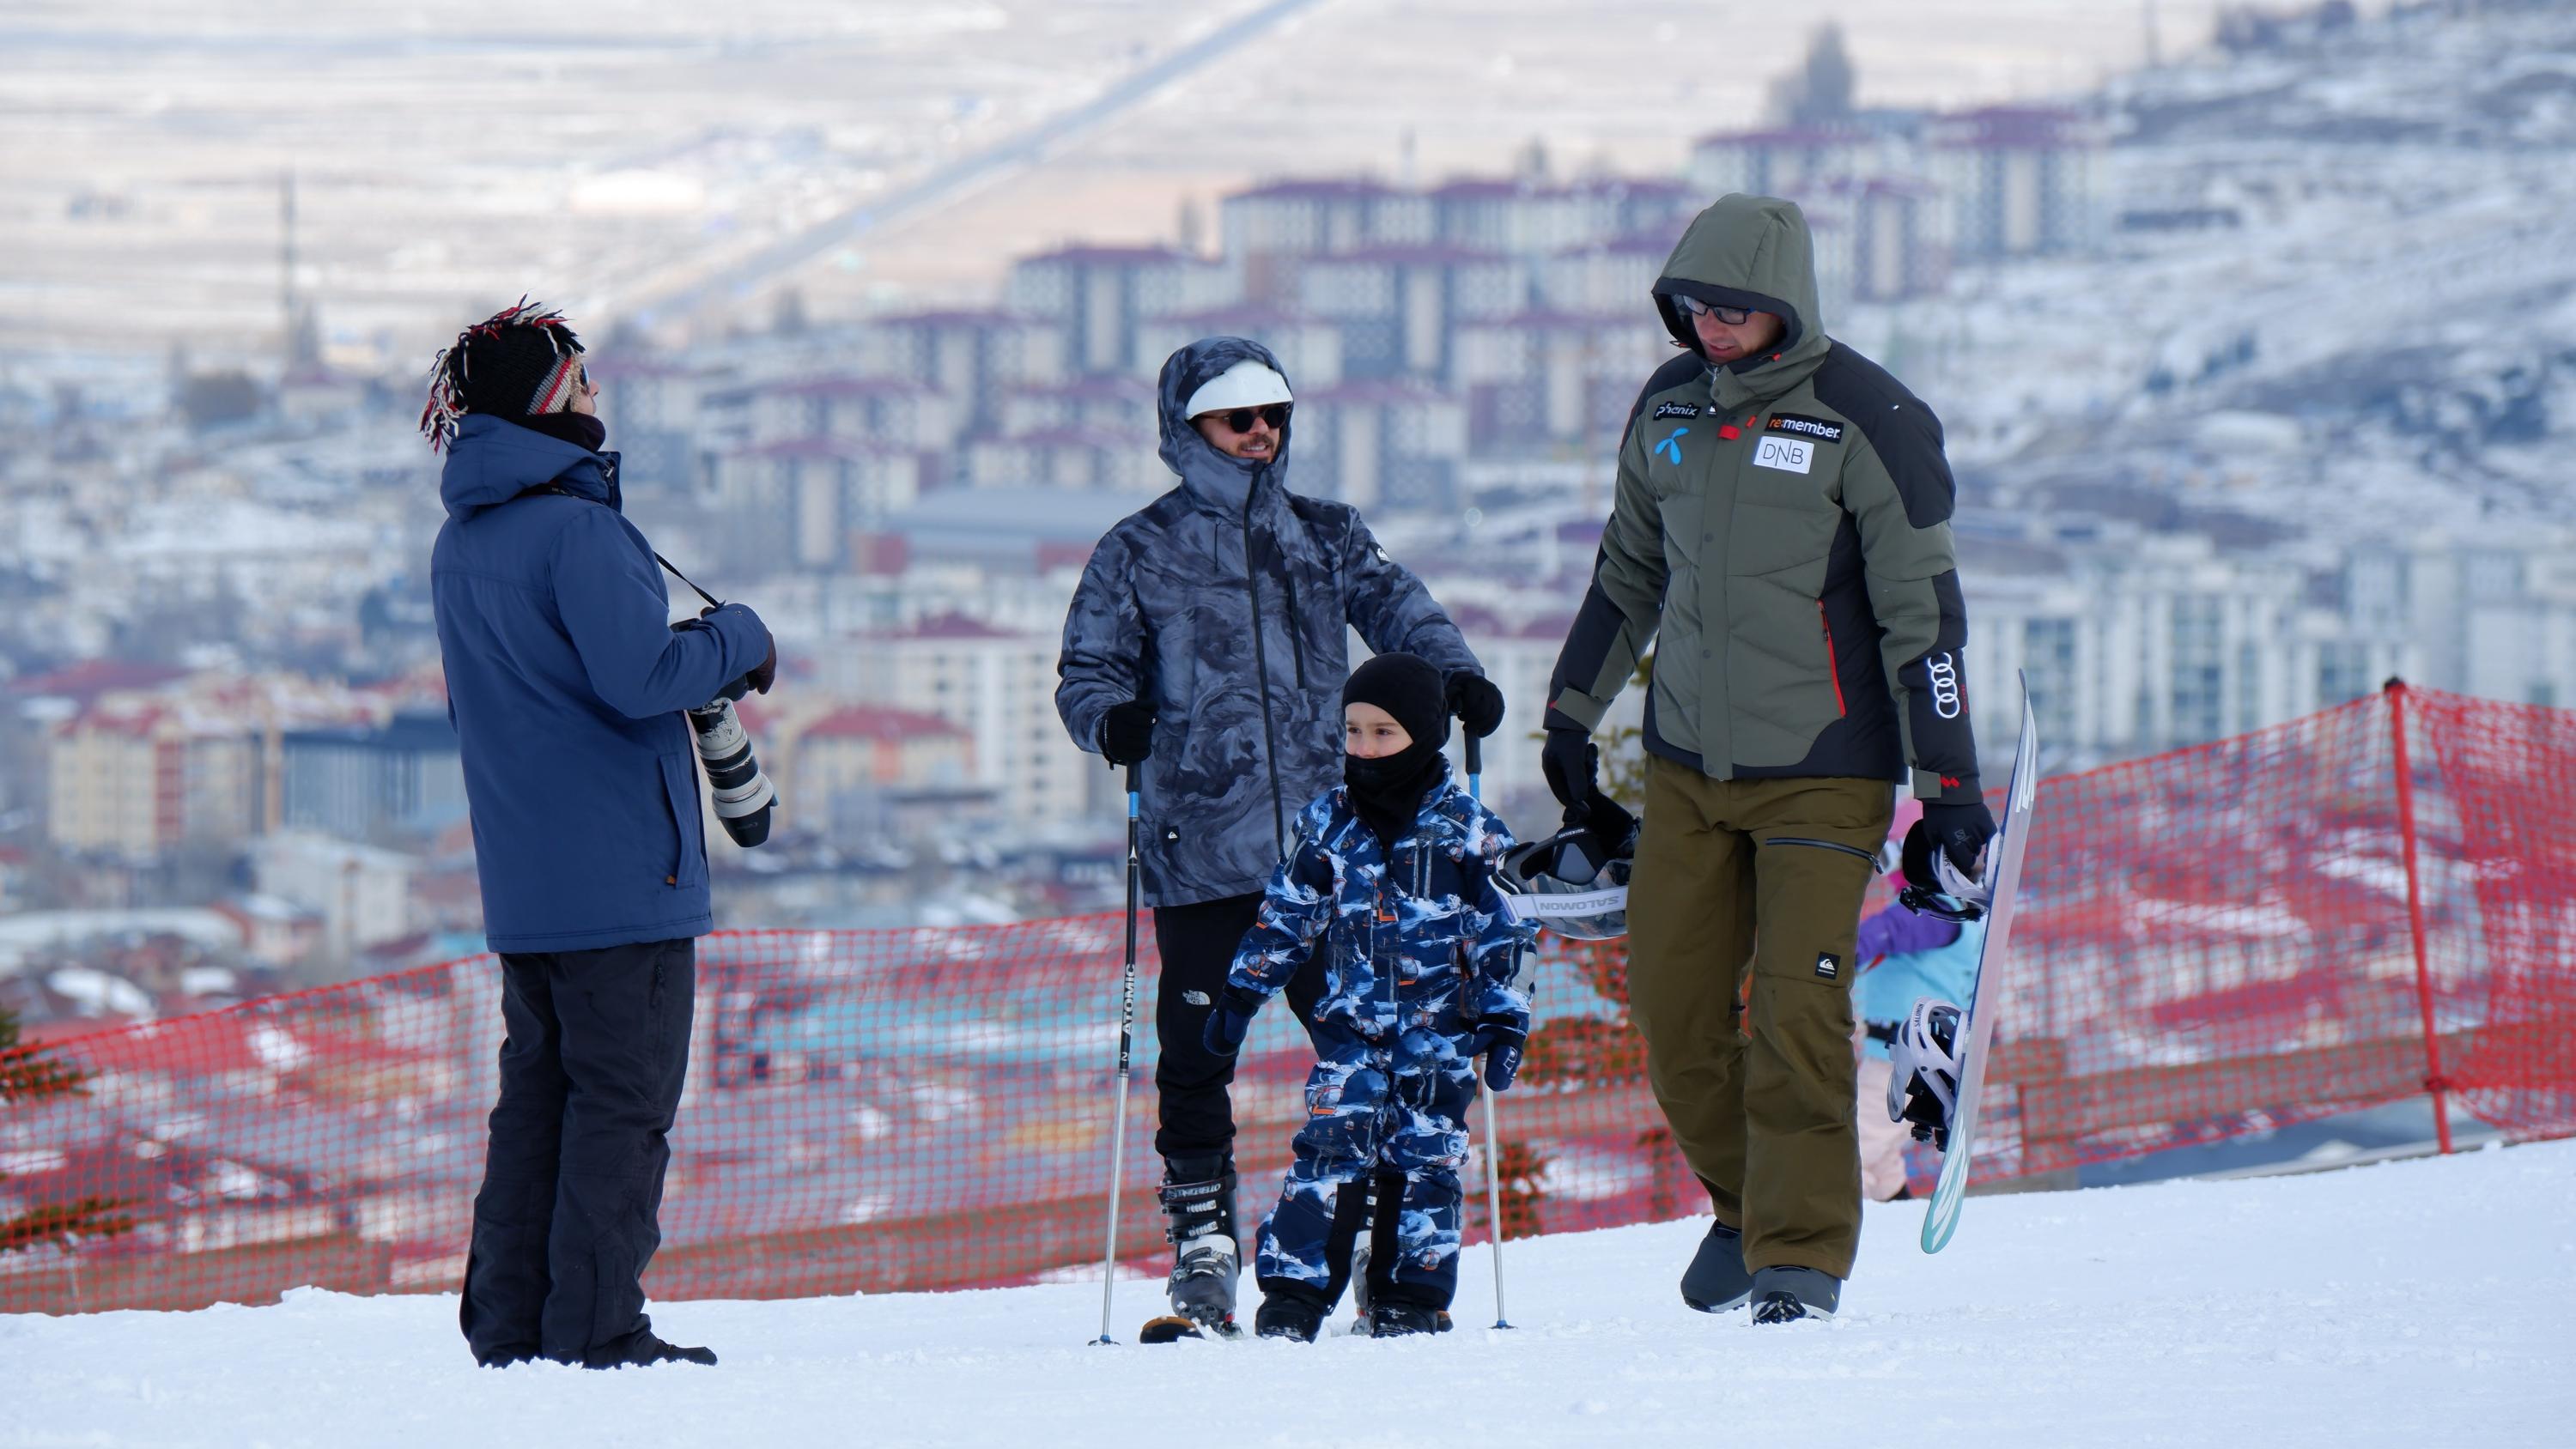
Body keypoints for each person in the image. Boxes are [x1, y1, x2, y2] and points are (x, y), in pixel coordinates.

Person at [1539, 195, 1994, 1325]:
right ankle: (1748, 1209)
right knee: (1675, 1014)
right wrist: (1569, 719)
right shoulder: (1669, 408)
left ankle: (1800, 1256)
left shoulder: (1871, 418)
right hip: (1688, 767)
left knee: (1796, 1014)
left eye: (1733, 308)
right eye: (1693, 307)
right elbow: (1628, 573)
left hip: (1825, 770)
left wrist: (1949, 793)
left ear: (1786, 303)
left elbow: (1924, 620)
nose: (1711, 326)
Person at [1056, 337, 1501, 1335]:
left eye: (1274, 416)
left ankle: (1381, 1244)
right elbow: (1087, 669)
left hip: (1328, 854)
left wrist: (1454, 676)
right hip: (1202, 848)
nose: (1261, 434)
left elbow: (1399, 609)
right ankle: (1204, 1243)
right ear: (1189, 428)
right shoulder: (1138, 548)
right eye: (1238, 418)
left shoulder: (1326, 535)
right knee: (1196, 1052)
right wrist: (1107, 719)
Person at [428, 301, 776, 1368]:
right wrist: (738, 637)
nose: (596, 394)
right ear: (546, 401)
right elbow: (639, 678)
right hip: (626, 871)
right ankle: (597, 1329)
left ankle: (510, 1324)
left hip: (526, 878)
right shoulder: (580, 532)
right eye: (581, 380)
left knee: (537, 1103)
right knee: (623, 1106)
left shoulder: (464, 539)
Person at [1201, 652, 1534, 1341]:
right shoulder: (1328, 821)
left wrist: (1505, 1021)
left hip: (1439, 1035)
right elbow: (1288, 916)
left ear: (1423, 733)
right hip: (1350, 1029)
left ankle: (1410, 1296)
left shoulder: (1470, 831)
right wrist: (1241, 993)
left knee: (1426, 1156)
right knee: (1330, 1148)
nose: (1364, 747)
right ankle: (1294, 1294)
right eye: (1353, 731)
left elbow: (1504, 937)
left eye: (1383, 732)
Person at [1852, 803, 1986, 1201]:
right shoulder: (1955, 909)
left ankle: (1829, 1226)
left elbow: (1881, 934)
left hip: (1903, 1059)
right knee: (1879, 1157)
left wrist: (1827, 958)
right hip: (1907, 1056)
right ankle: (1896, 1210)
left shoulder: (1935, 911)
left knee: (1852, 1152)